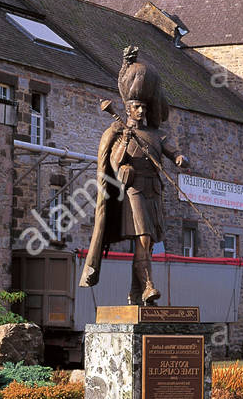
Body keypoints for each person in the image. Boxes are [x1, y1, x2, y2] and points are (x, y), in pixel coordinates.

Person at [80, 47, 187, 305]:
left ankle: (135, 293)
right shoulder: (119, 132)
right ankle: (149, 286)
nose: (140, 110)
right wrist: (122, 164)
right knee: (143, 238)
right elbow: (112, 163)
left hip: (154, 190)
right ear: (128, 109)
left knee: (147, 245)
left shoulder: (154, 134)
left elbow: (172, 150)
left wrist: (180, 158)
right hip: (134, 191)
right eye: (136, 106)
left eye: (143, 106)